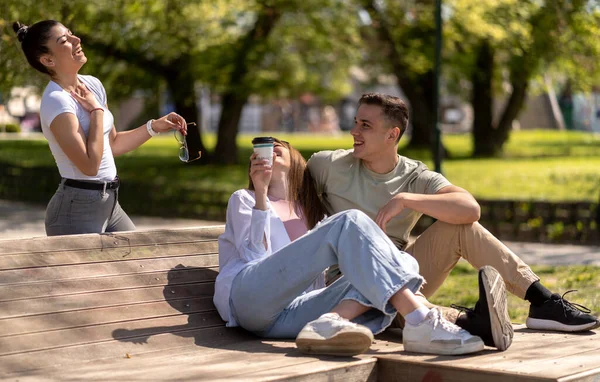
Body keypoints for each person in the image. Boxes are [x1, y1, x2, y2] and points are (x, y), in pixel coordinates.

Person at [307, 93, 600, 350]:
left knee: (459, 226)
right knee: (394, 305)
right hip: (347, 282)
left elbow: (469, 208)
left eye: (365, 125)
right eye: (356, 122)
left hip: (401, 271)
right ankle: (471, 322)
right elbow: (287, 193)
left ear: (392, 135)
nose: (353, 131)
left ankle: (542, 302)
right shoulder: (328, 165)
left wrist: (407, 200)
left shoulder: (414, 176)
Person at [214, 137, 493, 356]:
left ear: (296, 159)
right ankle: (421, 321)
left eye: (279, 147)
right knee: (350, 221)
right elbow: (254, 256)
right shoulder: (245, 199)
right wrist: (261, 192)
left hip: (287, 317)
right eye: (264, 149)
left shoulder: (312, 213)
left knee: (399, 260)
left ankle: (330, 321)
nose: (271, 150)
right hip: (249, 300)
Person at [13, 20, 188, 236]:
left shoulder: (93, 85)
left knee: (139, 260)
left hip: (110, 203)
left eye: (72, 33)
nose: (77, 40)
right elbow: (89, 166)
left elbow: (112, 144)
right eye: (65, 40)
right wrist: (96, 111)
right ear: (48, 59)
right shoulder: (57, 101)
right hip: (76, 210)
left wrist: (154, 127)